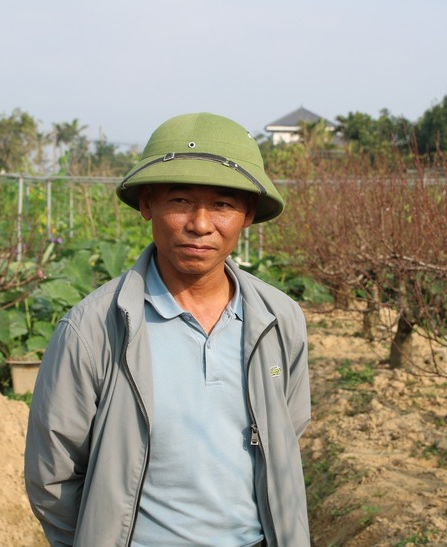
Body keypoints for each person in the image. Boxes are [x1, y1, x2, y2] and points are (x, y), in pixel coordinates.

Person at [24, 112, 311, 547]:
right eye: (179, 201)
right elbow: (53, 476)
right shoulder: (94, 329)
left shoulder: (278, 320)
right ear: (147, 204)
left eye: (222, 204)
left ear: (248, 214)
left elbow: (285, 436)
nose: (199, 224)